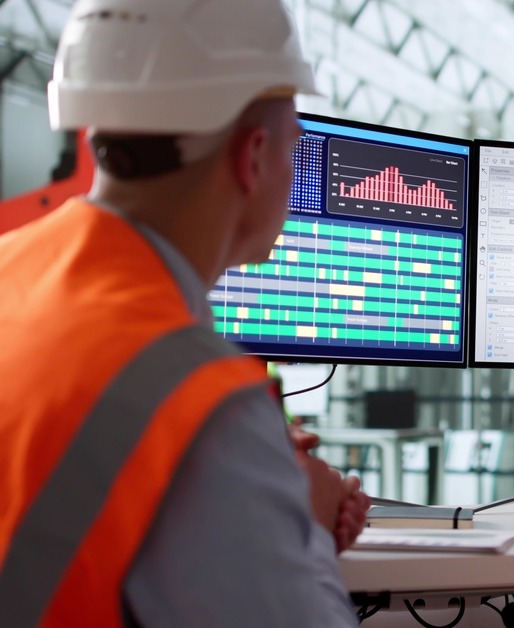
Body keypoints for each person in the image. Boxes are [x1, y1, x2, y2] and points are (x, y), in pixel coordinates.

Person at [0, 0, 369, 626]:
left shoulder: (13, 268)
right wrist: (303, 519)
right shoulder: (202, 401)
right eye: (297, 147)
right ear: (253, 157)